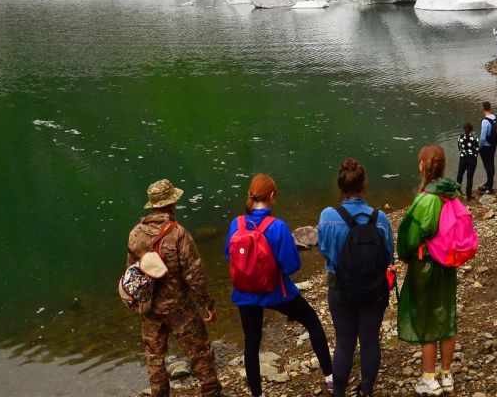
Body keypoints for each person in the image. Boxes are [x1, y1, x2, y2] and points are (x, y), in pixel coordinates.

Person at [226, 174, 334, 397]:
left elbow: (229, 255)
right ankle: (331, 378)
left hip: (245, 294)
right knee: (312, 321)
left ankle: (257, 394)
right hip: (276, 292)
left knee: (252, 343)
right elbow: (292, 265)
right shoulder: (277, 226)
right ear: (272, 196)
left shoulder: (235, 224)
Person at [128, 179, 223, 397]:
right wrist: (207, 304)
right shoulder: (178, 233)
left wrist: (138, 303)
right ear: (171, 204)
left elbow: (132, 272)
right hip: (179, 307)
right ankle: (211, 393)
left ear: (152, 205)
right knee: (200, 352)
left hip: (149, 307)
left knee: (155, 357)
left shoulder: (135, 234)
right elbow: (194, 274)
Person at [318, 159, 394, 397]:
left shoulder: (327, 216)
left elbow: (324, 251)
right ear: (364, 184)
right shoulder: (379, 218)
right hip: (374, 289)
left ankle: (339, 392)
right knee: (370, 340)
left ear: (340, 185)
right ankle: (366, 391)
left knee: (344, 341)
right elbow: (389, 254)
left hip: (340, 289)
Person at [397, 145, 462, 396]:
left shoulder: (424, 200)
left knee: (426, 319)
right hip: (448, 264)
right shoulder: (452, 194)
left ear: (423, 165)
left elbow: (409, 241)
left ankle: (428, 378)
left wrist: (403, 255)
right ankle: (447, 375)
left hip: (426, 266)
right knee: (446, 314)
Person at [477, 102, 497, 195]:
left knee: (487, 166)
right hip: (493, 145)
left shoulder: (485, 121)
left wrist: (479, 147)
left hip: (486, 147)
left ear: (483, 108)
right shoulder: (495, 118)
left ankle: (489, 188)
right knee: (491, 164)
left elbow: (482, 137)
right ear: (490, 108)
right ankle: (489, 183)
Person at [456, 122, 479, 200]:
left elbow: (459, 148)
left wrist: (463, 153)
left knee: (460, 175)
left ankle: (458, 191)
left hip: (463, 158)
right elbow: (477, 149)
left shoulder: (460, 137)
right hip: (472, 159)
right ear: (472, 129)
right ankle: (468, 195)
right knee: (469, 177)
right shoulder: (475, 138)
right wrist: (474, 155)